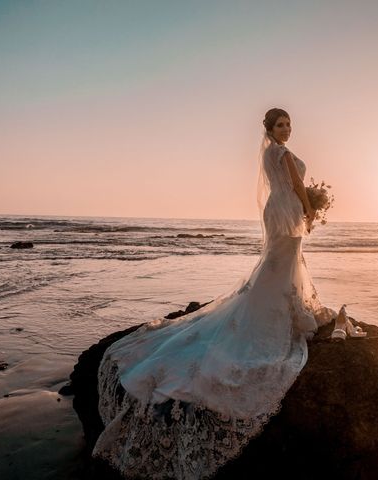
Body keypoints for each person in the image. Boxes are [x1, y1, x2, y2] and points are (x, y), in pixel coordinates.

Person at [92, 108, 338, 479]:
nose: (287, 129)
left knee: (277, 265)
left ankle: (282, 307)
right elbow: (298, 187)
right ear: (270, 129)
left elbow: (282, 186)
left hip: (277, 209)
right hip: (287, 209)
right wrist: (309, 208)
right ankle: (279, 313)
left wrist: (305, 204)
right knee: (281, 264)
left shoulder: (269, 153)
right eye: (280, 125)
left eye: (289, 124)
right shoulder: (283, 154)